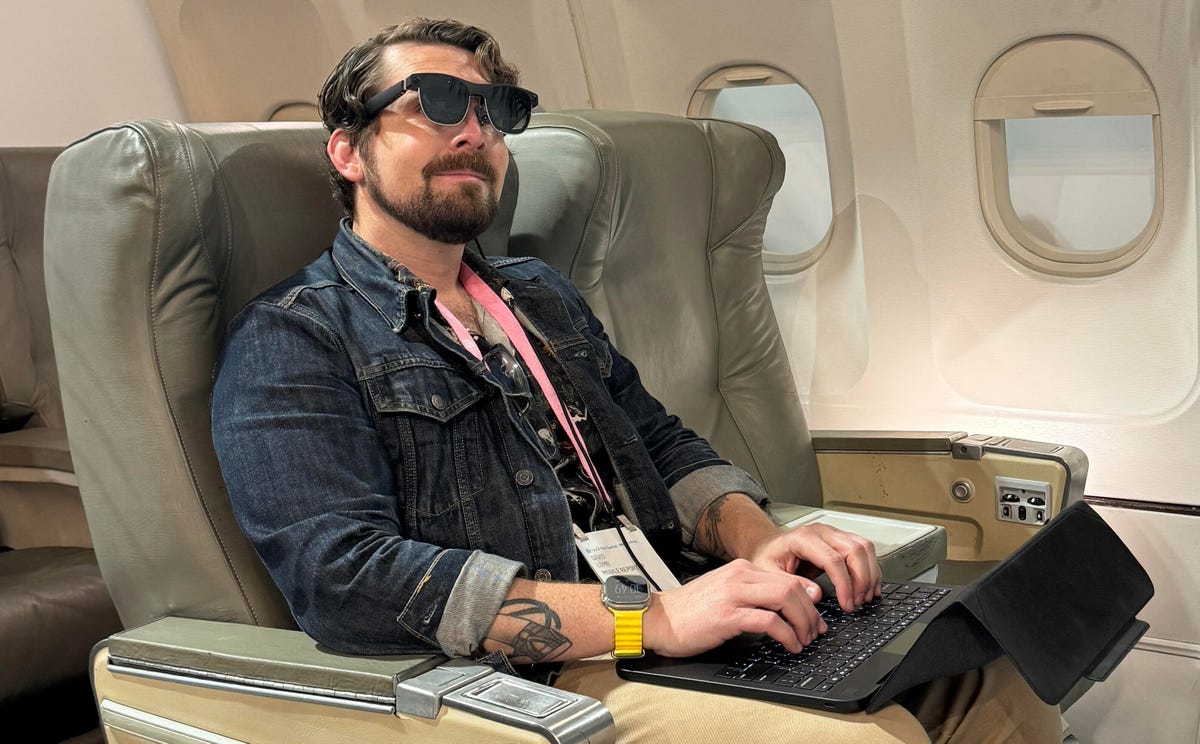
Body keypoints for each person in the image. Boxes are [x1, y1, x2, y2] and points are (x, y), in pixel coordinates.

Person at [211, 18, 1060, 743]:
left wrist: (756, 540)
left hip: (677, 607)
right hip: (543, 675)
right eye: (434, 105)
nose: (472, 133)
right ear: (348, 151)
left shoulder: (535, 295)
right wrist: (646, 623)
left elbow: (656, 440)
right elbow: (346, 580)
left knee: (992, 679)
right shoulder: (295, 337)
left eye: (494, 112)